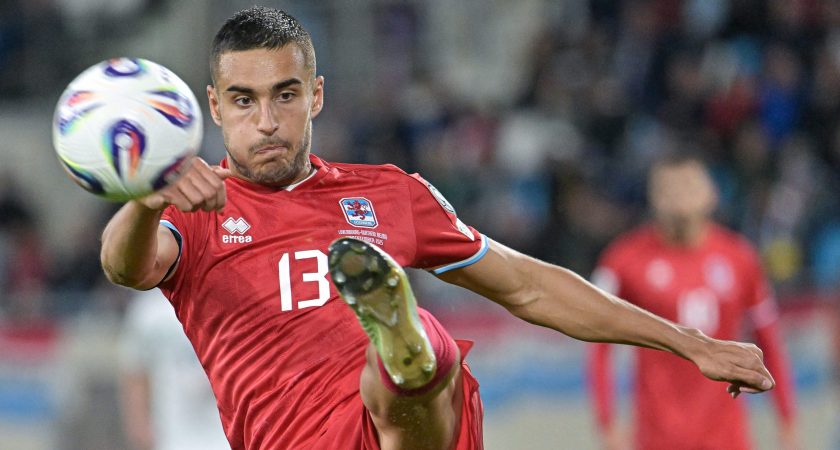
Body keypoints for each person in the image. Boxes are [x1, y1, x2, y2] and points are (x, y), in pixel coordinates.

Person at [100, 7, 776, 450]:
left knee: (418, 357)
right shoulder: (191, 205)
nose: (267, 121)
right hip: (296, 439)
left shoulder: (390, 194)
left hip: (409, 423)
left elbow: (527, 285)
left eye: (286, 95)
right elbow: (124, 265)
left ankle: (403, 346)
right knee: (412, 358)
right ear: (215, 107)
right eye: (244, 101)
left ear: (317, 95)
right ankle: (403, 345)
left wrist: (688, 342)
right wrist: (145, 200)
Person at [587, 154, 797, 450]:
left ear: (711, 193)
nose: (679, 196)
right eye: (668, 188)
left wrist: (787, 420)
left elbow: (770, 343)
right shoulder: (623, 261)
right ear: (653, 197)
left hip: (727, 439)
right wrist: (606, 421)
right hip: (657, 438)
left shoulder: (741, 259)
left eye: (688, 185)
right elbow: (597, 345)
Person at [119, 288, 229, 450]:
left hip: (225, 437)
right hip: (172, 437)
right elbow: (135, 373)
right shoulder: (149, 310)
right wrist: (140, 428)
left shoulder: (227, 298)